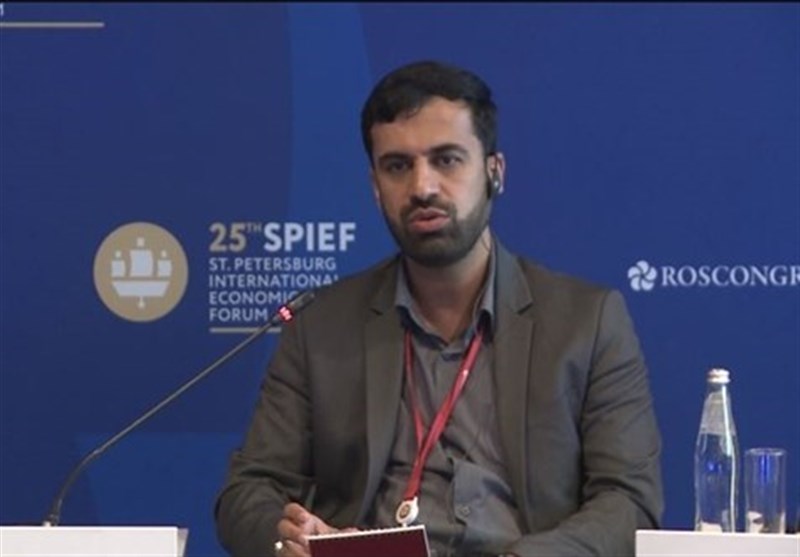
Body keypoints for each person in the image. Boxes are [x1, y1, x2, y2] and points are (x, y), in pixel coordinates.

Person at [215, 60, 663, 557]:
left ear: (494, 173)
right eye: (397, 166)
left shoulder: (587, 322)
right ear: (375, 186)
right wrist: (290, 540)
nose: (423, 187)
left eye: (447, 160)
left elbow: (629, 502)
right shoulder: (321, 326)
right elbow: (247, 493)